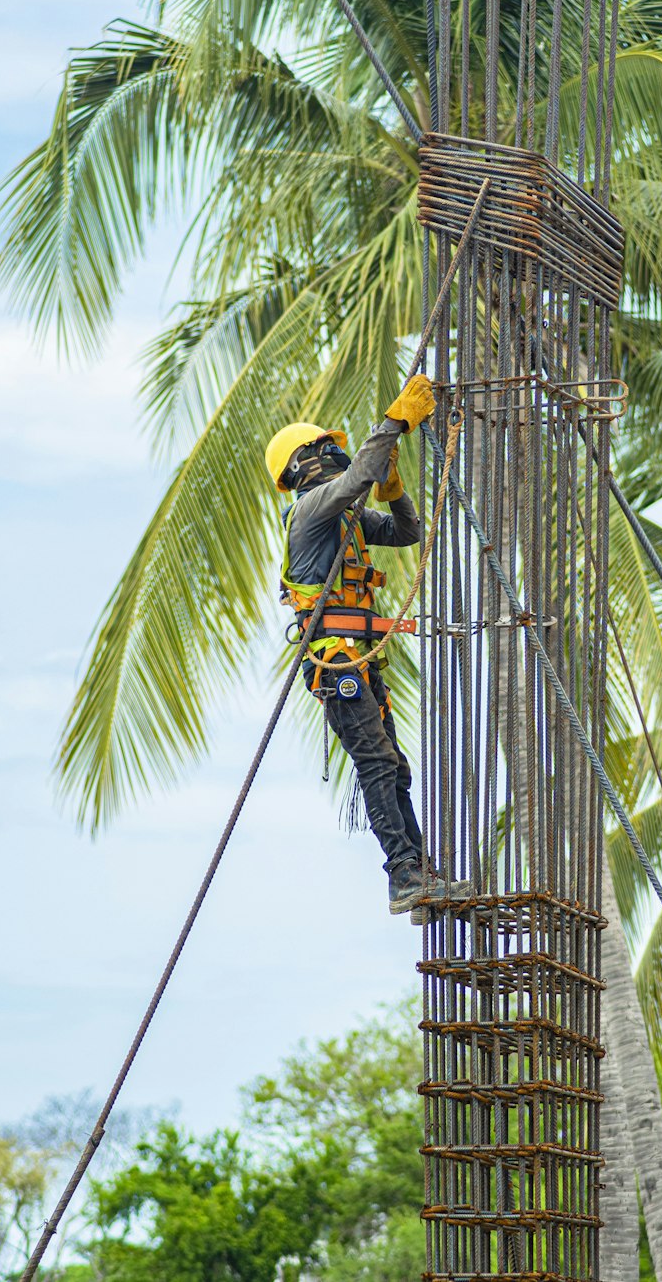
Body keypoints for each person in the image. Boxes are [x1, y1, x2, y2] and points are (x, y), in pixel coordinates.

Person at [265, 375, 466, 920]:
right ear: (304, 463)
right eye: (325, 448)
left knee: (394, 766)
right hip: (337, 663)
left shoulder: (347, 518)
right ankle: (404, 876)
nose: (335, 453)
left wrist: (395, 490)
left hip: (358, 658)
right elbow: (357, 477)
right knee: (377, 764)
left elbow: (409, 534)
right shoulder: (311, 511)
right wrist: (394, 424)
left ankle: (418, 870)